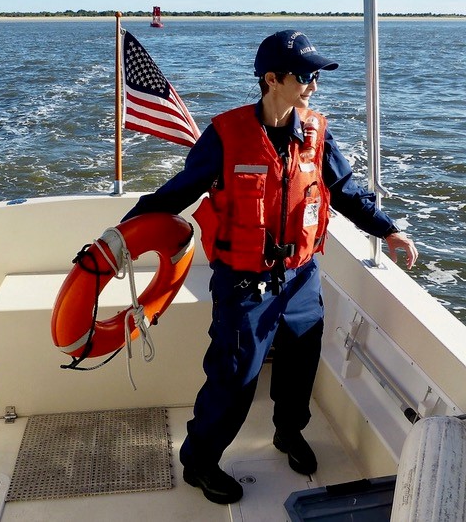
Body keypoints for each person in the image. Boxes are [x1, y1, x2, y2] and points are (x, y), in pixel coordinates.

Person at [122, 29, 418, 505]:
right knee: (235, 375)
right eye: (304, 76)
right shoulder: (226, 135)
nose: (313, 86)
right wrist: (124, 232)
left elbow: (343, 190)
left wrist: (386, 229)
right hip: (243, 280)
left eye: (316, 75)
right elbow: (178, 192)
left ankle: (288, 431)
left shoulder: (317, 132)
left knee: (301, 362)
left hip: (301, 274)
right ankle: (199, 461)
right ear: (271, 79)